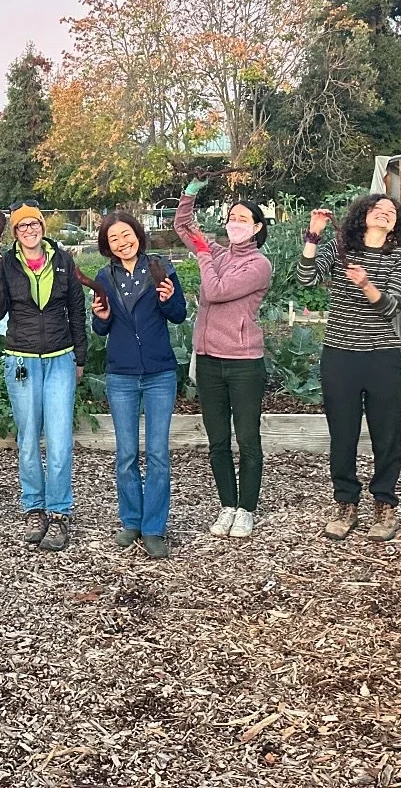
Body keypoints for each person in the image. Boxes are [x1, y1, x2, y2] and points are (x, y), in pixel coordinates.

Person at [299, 194, 401, 542]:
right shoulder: (339, 248)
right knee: (343, 432)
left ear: (396, 223)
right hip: (340, 354)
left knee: (387, 433)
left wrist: (365, 283)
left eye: (391, 212)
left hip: (381, 355)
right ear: (362, 216)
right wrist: (313, 237)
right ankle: (346, 503)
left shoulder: (400, 257)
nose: (385, 213)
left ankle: (384, 504)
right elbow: (306, 280)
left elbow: (391, 307)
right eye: (378, 209)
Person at [0, 201, 87, 551]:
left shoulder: (62, 260)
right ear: (15, 233)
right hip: (22, 360)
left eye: (35, 224)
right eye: (22, 226)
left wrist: (80, 358)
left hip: (60, 358)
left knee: (59, 440)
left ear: (43, 228)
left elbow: (76, 310)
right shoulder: (8, 263)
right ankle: (34, 507)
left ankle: (58, 513)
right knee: (28, 439)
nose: (30, 230)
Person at [174, 176, 272, 539]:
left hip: (244, 363)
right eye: (232, 217)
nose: (235, 223)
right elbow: (184, 227)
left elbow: (215, 291)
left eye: (244, 219)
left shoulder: (258, 265)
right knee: (217, 440)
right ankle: (227, 505)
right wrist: (191, 193)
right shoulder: (216, 253)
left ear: (257, 227)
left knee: (247, 438)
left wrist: (202, 253)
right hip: (209, 360)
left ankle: (247, 508)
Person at [91, 211, 187, 558]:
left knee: (158, 454)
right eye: (113, 238)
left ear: (137, 234)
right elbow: (101, 327)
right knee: (127, 453)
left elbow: (178, 314)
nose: (122, 242)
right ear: (107, 245)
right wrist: (99, 318)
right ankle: (131, 520)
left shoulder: (160, 268)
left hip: (159, 373)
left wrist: (169, 298)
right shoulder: (105, 276)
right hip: (122, 376)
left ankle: (154, 528)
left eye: (126, 234)